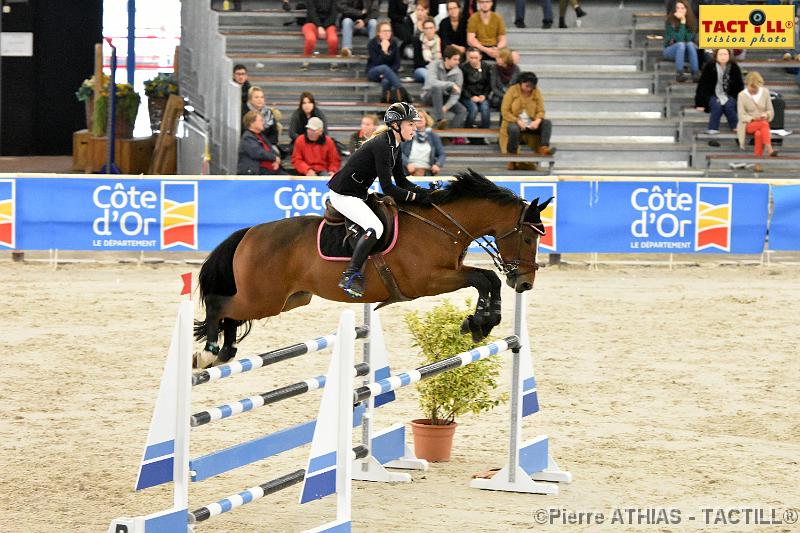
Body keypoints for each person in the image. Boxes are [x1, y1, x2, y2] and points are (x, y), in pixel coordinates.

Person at [327, 102, 434, 297]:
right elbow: (389, 188)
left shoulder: (395, 144)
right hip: (343, 194)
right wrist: (417, 198)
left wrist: (425, 193)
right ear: (396, 125)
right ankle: (350, 275)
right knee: (375, 227)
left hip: (358, 192)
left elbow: (402, 180)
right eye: (410, 124)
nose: (415, 127)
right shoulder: (383, 145)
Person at [500, 71, 556, 170]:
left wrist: (538, 120)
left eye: (531, 86)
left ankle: (543, 147)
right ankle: (511, 157)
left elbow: (541, 110)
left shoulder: (536, 92)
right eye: (526, 86)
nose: (529, 88)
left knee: (547, 123)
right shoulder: (512, 90)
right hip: (514, 122)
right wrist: (517, 120)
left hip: (531, 123)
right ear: (521, 83)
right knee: (513, 129)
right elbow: (505, 111)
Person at [694, 48, 744, 145]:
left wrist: (737, 100)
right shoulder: (709, 67)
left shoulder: (734, 67)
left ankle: (738, 133)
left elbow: (739, 86)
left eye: (725, 54)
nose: (723, 57)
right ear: (716, 56)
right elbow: (702, 86)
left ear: (729, 56)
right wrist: (699, 104)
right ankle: (713, 135)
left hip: (730, 94)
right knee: (716, 106)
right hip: (712, 94)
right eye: (720, 54)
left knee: (729, 106)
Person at [421, 45, 467, 130]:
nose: (458, 62)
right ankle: (440, 120)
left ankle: (450, 133)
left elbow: (456, 94)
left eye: (458, 59)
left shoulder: (458, 72)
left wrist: (447, 106)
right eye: (455, 59)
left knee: (462, 110)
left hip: (445, 97)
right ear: (446, 59)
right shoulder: (434, 64)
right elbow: (432, 82)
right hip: (429, 95)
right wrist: (451, 84)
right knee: (436, 88)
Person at [736, 71, 777, 157]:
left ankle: (758, 163)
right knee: (764, 124)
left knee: (759, 134)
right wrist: (753, 118)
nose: (754, 91)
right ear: (747, 85)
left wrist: (766, 114)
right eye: (752, 88)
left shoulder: (765, 92)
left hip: (762, 123)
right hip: (747, 124)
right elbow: (741, 115)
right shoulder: (741, 95)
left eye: (756, 89)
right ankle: (769, 148)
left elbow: (771, 110)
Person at [366, 22, 406, 102]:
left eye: (389, 31)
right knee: (384, 68)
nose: (387, 33)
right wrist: (384, 51)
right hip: (373, 71)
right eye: (384, 31)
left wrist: (387, 74)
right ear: (378, 33)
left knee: (386, 81)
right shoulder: (372, 43)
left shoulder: (394, 43)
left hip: (389, 74)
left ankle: (384, 102)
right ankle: (403, 93)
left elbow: (397, 64)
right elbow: (376, 62)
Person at [663, 0, 699, 82]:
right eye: (678, 8)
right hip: (670, 50)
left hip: (686, 51)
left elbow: (688, 39)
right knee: (680, 45)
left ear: (687, 10)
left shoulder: (692, 22)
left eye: (682, 8)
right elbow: (679, 39)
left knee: (690, 44)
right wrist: (682, 22)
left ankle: (695, 73)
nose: (680, 10)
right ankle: (679, 73)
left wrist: (684, 22)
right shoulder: (670, 21)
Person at [401, 109, 446, 176]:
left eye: (422, 117)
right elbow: (398, 152)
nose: (420, 119)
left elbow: (442, 154)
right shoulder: (406, 134)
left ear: (426, 120)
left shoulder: (433, 136)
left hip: (427, 173)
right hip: (408, 172)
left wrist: (438, 164)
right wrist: (407, 163)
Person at [460, 47, 492, 132]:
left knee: (485, 109)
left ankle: (485, 133)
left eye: (476, 58)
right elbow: (462, 86)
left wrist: (484, 95)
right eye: (471, 58)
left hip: (482, 95)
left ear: (480, 57)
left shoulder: (486, 67)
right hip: (467, 95)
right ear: (467, 57)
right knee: (473, 109)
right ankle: (467, 131)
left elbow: (489, 84)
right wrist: (470, 97)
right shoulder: (463, 68)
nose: (473, 60)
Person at [302, 0, 340, 70]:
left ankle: (333, 60)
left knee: (333, 40)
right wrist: (319, 26)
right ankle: (306, 60)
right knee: (310, 39)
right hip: (312, 23)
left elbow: (334, 14)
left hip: (328, 24)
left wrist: (324, 27)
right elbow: (311, 13)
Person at [413, 16, 442, 83]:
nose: (429, 30)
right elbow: (417, 63)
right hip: (421, 69)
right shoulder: (418, 41)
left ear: (435, 29)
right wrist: (431, 65)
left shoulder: (439, 41)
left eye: (431, 28)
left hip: (437, 69)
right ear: (423, 29)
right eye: (426, 28)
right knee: (428, 75)